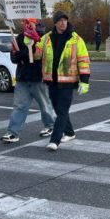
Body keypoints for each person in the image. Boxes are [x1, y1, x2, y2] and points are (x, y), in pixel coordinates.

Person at [36, 11, 90, 151]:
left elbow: (83, 60)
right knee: (59, 109)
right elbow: (37, 56)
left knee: (62, 111)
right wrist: (30, 43)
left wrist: (84, 81)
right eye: (60, 20)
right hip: (51, 80)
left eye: (65, 20)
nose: (63, 23)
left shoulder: (76, 39)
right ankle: (70, 132)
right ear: (55, 23)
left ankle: (55, 140)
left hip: (68, 81)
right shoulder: (47, 38)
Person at [0, 19, 56, 144]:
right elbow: (15, 59)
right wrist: (15, 52)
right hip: (23, 77)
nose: (25, 24)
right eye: (24, 22)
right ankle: (13, 133)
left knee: (45, 104)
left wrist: (23, 52)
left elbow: (38, 56)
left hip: (38, 77)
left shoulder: (42, 37)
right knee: (19, 106)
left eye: (29, 22)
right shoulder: (20, 37)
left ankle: (51, 126)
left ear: (35, 23)